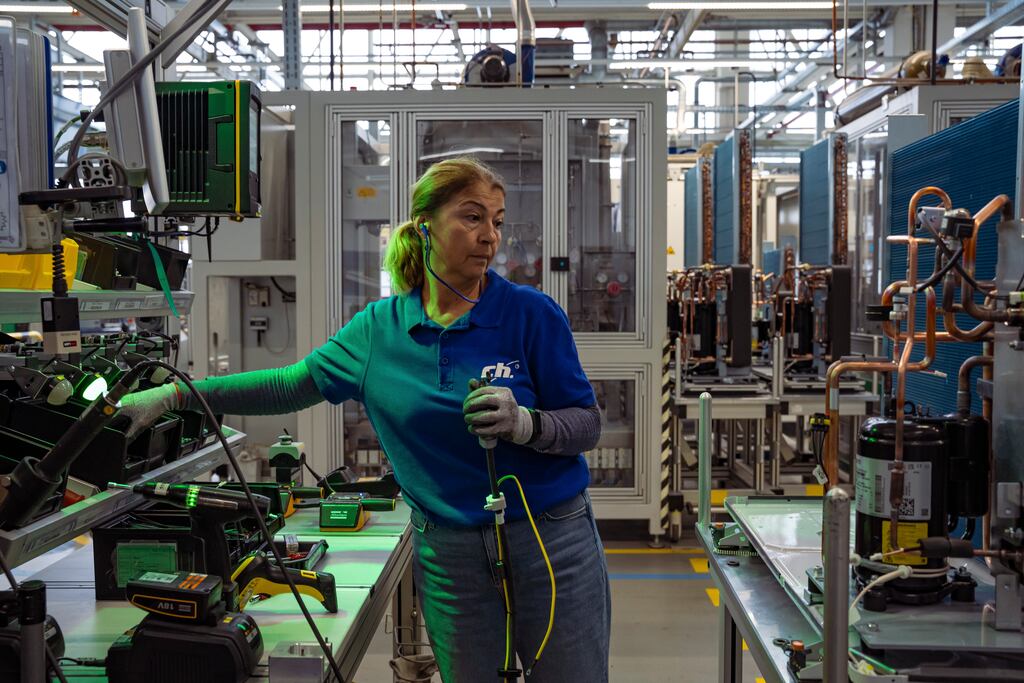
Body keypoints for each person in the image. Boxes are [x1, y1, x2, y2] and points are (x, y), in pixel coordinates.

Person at [118, 157, 611, 682]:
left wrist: (527, 424)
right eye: (472, 217)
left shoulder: (530, 314)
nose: (489, 235)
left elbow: (587, 423)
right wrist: (178, 395)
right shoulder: (379, 330)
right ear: (425, 226)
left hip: (549, 541)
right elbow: (288, 385)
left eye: (497, 220)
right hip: (451, 556)